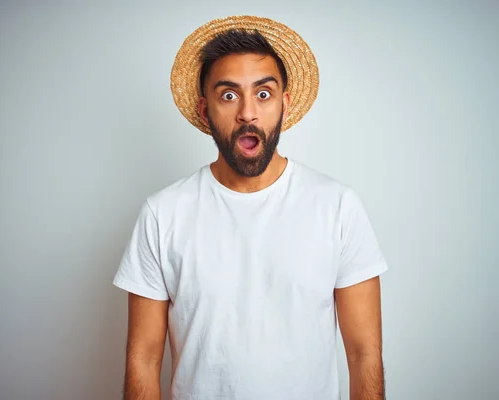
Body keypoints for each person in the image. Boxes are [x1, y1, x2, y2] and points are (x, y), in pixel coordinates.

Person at [113, 15, 389, 400]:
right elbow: (142, 359)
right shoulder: (163, 214)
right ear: (206, 110)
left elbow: (364, 355)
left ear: (284, 105)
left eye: (263, 93)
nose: (247, 112)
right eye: (228, 95)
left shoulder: (337, 206)